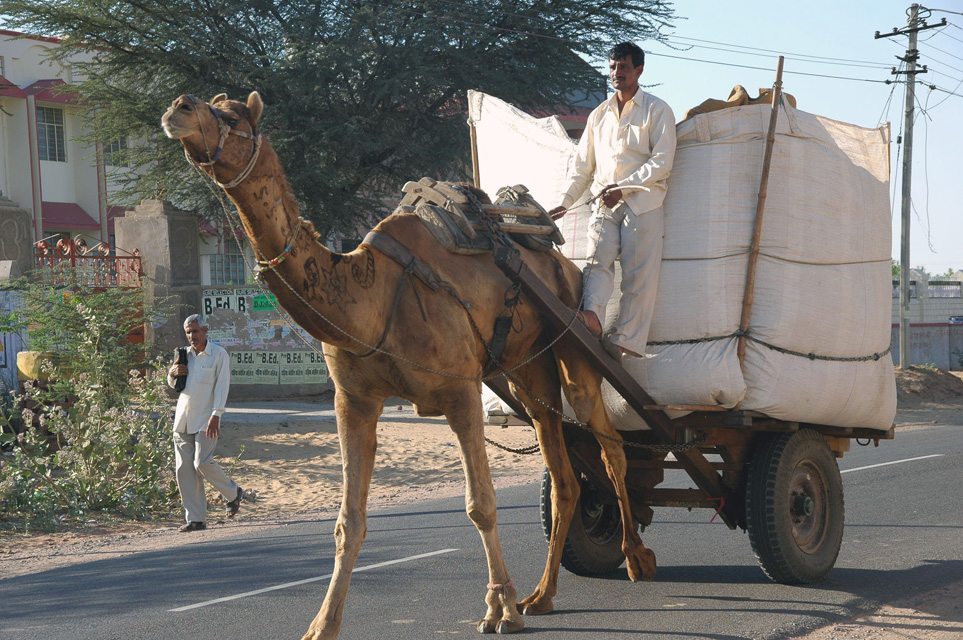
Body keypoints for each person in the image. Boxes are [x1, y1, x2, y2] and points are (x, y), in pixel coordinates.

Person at [548, 42, 677, 358]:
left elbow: (662, 161)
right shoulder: (598, 115)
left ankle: (627, 341)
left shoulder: (658, 110)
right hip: (603, 203)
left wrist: (626, 187)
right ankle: (592, 318)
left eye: (624, 67)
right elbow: (582, 168)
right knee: (596, 265)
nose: (617, 73)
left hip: (643, 205)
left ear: (639, 71)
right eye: (613, 67)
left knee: (637, 276)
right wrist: (564, 202)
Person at [167, 314, 243, 532]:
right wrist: (172, 374)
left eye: (195, 331)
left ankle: (233, 493)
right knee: (184, 470)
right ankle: (196, 519)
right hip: (182, 418)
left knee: (201, 462)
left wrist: (216, 414)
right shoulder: (183, 355)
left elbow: (222, 386)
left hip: (206, 419)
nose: (192, 336)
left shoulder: (218, 354)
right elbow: (175, 385)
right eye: (188, 332)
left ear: (205, 330)